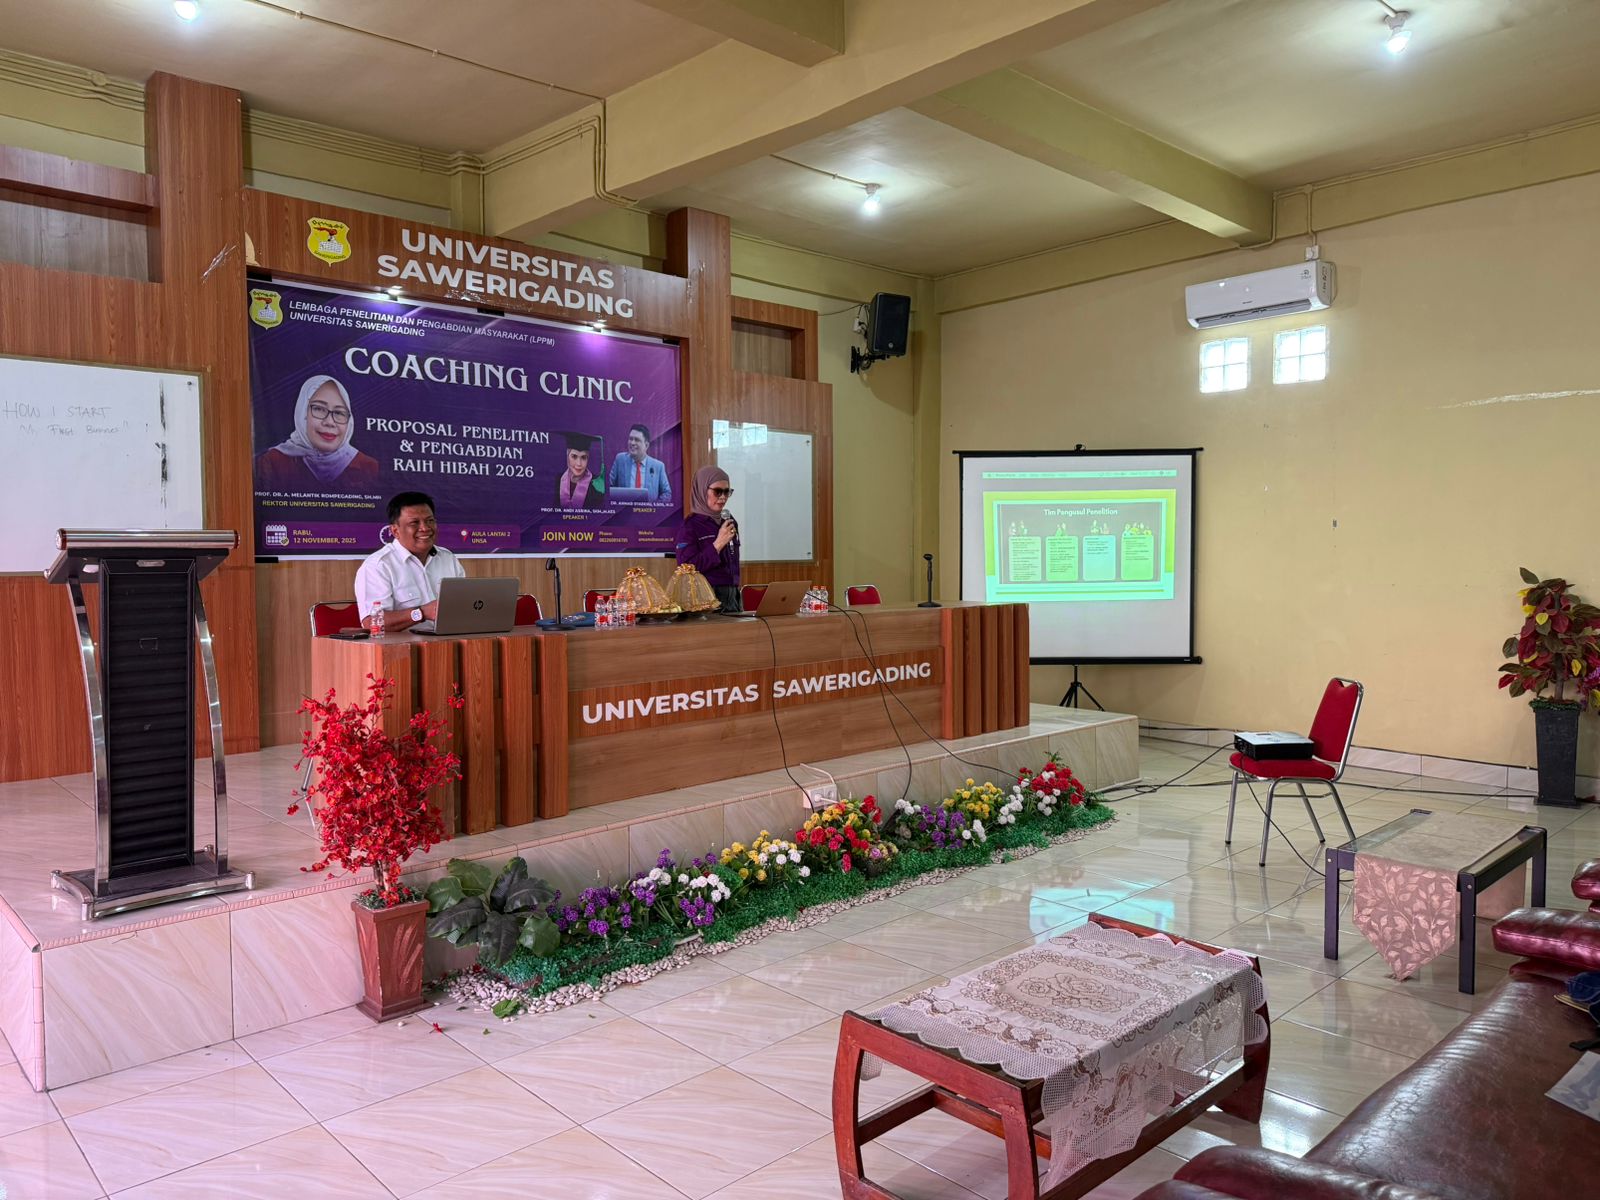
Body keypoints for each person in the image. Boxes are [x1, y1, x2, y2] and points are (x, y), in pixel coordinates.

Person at [353, 492, 464, 633]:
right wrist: (421, 613)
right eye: (414, 523)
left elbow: (464, 604)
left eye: (430, 521)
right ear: (395, 531)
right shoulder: (378, 566)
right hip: (404, 645)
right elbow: (372, 622)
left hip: (451, 639)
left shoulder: (448, 558)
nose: (425, 528)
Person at [255, 375, 379, 491]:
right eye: (319, 409)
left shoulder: (368, 467)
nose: (329, 422)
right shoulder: (273, 462)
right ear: (302, 413)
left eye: (339, 413)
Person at [676, 465, 741, 612]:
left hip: (732, 594)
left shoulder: (729, 521)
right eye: (717, 491)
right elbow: (686, 569)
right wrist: (717, 544)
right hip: (705, 597)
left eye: (727, 492)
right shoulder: (690, 526)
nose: (723, 497)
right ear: (702, 490)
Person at [605, 423, 672, 502]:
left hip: (648, 510)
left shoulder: (658, 466)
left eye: (637, 440)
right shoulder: (620, 459)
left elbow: (667, 493)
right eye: (630, 439)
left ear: (646, 445)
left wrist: (653, 506)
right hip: (624, 509)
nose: (632, 443)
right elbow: (608, 486)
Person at [554, 432, 604, 510]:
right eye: (574, 456)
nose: (579, 463)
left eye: (583, 457)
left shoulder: (596, 485)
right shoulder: (557, 481)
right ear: (567, 456)